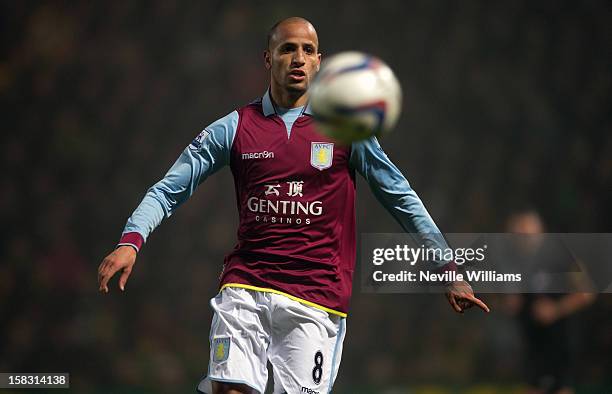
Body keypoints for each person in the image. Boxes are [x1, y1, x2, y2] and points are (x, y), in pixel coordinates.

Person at [97, 17, 489, 394]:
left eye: (308, 50)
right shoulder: (234, 127)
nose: (298, 58)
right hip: (245, 286)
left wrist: (446, 266)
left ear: (320, 61)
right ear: (268, 58)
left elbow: (401, 197)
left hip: (316, 297)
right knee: (230, 389)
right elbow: (169, 189)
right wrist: (131, 241)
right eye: (287, 49)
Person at [504, 209, 595, 394]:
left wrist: (556, 309)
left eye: (526, 233)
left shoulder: (561, 255)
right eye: (517, 234)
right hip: (532, 342)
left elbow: (587, 292)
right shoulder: (513, 261)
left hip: (558, 340)